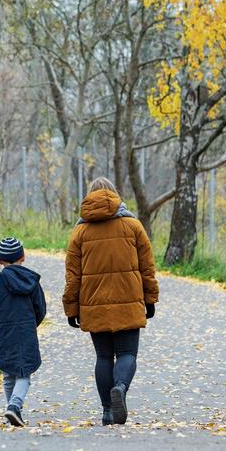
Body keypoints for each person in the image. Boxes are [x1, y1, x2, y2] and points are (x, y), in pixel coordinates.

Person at [62, 177, 159, 425]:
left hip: (94, 306)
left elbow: (73, 276)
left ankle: (107, 410)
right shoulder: (133, 226)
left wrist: (71, 308)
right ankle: (121, 388)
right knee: (127, 353)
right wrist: (150, 299)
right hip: (129, 302)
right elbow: (147, 267)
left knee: (103, 357)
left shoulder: (79, 232)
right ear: (115, 195)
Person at [0, 237, 47, 427]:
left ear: (0, 261)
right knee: (24, 374)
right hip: (26, 334)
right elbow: (40, 309)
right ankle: (15, 406)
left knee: (8, 374)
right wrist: (31, 326)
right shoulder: (32, 282)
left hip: (4, 335)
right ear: (23, 257)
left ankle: (12, 409)